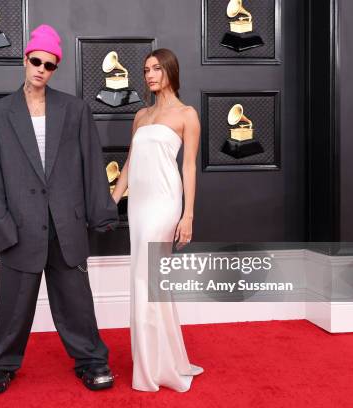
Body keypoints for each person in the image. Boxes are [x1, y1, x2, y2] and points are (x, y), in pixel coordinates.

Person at [0, 24, 119, 394]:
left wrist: (101, 212)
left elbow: (92, 163)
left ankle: (92, 361)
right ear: (25, 60)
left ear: (56, 68)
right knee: (13, 306)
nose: (41, 68)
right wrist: (3, 227)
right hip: (20, 224)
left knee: (76, 301)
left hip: (66, 222)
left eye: (50, 64)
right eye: (36, 61)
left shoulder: (74, 109)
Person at [111, 48, 204, 392]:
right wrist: (113, 200)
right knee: (148, 280)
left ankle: (154, 368)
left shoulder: (186, 114)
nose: (149, 75)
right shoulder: (141, 115)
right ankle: (160, 358)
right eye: (146, 69)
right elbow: (130, 166)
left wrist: (187, 214)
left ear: (170, 72)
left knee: (146, 279)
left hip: (165, 204)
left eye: (156, 69)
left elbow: (189, 167)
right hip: (139, 206)